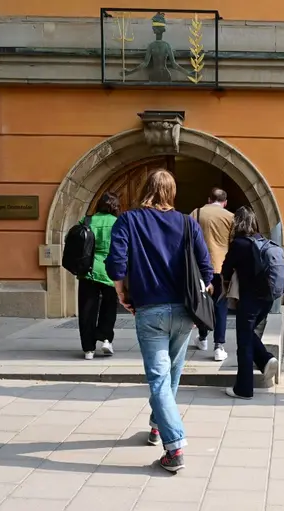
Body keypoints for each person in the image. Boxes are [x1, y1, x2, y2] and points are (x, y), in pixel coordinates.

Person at [105, 169, 214, 473]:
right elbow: (206, 268)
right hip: (184, 310)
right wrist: (201, 298)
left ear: (145, 189)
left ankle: (174, 447)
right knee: (171, 375)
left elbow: (116, 265)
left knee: (159, 377)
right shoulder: (187, 223)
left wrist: (121, 292)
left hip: (150, 309)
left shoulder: (129, 220)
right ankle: (157, 425)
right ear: (172, 192)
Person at [221, 206, 279, 400]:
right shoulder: (261, 241)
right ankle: (265, 360)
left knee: (244, 342)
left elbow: (226, 269)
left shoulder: (239, 244)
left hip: (249, 300)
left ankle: (244, 389)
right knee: (248, 333)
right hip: (267, 299)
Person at [190, 188, 234, 361]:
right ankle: (219, 346)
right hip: (221, 267)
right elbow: (233, 243)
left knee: (201, 303)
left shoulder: (196, 213)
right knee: (220, 306)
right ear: (225, 202)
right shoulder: (230, 217)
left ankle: (202, 338)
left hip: (199, 267)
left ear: (209, 199)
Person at [77, 192, 120, 360]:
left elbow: (71, 239)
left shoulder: (87, 221)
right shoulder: (117, 222)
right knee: (109, 307)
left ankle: (88, 349)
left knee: (87, 310)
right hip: (109, 271)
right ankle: (106, 339)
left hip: (88, 271)